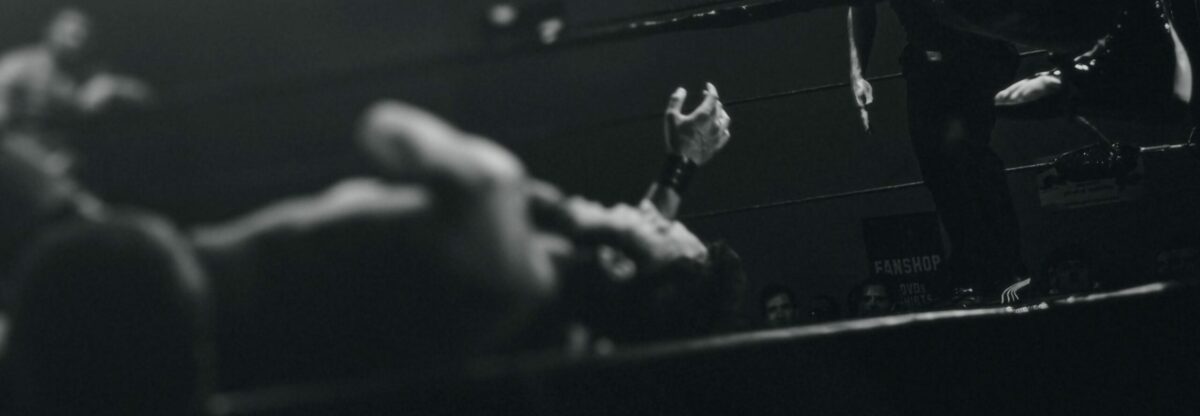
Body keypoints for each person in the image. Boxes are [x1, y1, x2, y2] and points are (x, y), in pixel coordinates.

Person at [191, 84, 737, 387]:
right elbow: (638, 276)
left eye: (661, 227)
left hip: (196, 297)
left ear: (620, 262)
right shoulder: (561, 330)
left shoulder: (495, 204)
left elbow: (385, 125)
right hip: (234, 349)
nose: (652, 214)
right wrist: (679, 166)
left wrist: (543, 201)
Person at [848, 0, 1026, 304]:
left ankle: (999, 268)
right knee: (939, 168)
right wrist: (857, 72)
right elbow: (861, 6)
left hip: (975, 54)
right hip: (929, 60)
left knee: (966, 159)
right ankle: (984, 266)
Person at [0, 7, 153, 174]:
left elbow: (146, 98)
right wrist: (38, 161)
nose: (76, 40)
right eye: (71, 34)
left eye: (83, 36)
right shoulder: (17, 66)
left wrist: (115, 86)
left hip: (65, 161)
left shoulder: (86, 73)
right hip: (18, 159)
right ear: (50, 31)